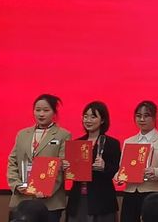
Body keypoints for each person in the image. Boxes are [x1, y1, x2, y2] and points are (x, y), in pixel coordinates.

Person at [7, 94, 72, 222]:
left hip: (50, 202)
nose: (41, 114)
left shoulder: (63, 135)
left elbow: (61, 167)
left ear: (54, 113)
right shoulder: (22, 134)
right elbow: (12, 161)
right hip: (22, 199)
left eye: (46, 110)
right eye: (37, 110)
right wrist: (17, 185)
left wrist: (45, 189)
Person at [118, 101, 158, 222]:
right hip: (130, 192)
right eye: (138, 116)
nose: (142, 119)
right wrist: (119, 176)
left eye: (146, 115)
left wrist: (155, 171)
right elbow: (122, 166)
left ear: (154, 117)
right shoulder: (128, 141)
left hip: (153, 194)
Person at [65, 101, 121, 222]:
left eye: (93, 117)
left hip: (101, 200)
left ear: (102, 120)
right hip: (78, 198)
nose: (88, 120)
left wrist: (104, 166)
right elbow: (72, 171)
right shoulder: (76, 143)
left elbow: (116, 170)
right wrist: (66, 167)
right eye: (86, 116)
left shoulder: (112, 143)